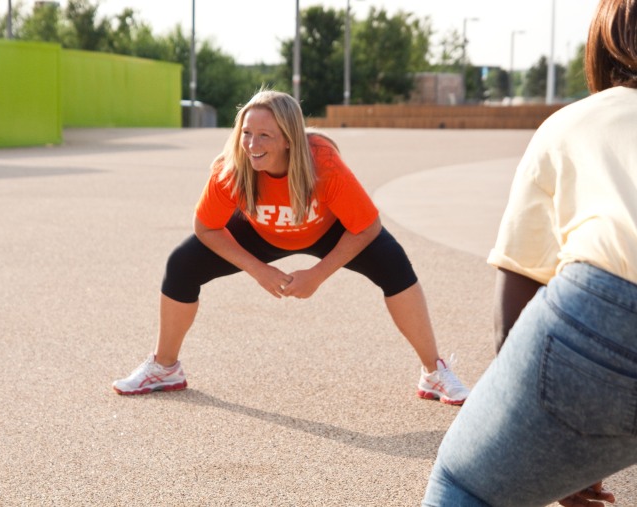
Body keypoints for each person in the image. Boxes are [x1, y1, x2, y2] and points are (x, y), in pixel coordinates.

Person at [113, 89, 469, 405]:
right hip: (260, 231)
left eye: (264, 135)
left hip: (326, 230)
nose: (252, 144)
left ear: (288, 139)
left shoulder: (323, 165)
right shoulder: (232, 169)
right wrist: (259, 269)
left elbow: (367, 226)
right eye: (247, 133)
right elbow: (206, 227)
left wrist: (317, 274)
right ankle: (164, 368)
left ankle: (433, 371)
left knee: (394, 264)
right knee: (181, 263)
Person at [422, 1, 637, 505]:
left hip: (609, 306)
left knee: (463, 484)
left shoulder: (574, 124)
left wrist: (547, 441)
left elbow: (514, 302)